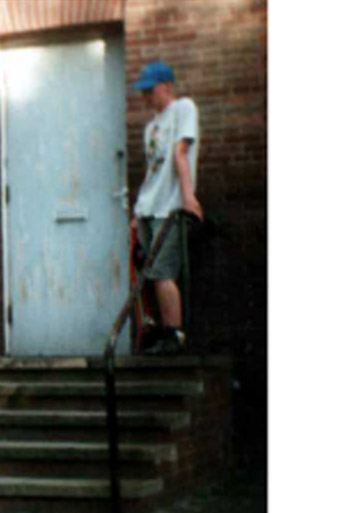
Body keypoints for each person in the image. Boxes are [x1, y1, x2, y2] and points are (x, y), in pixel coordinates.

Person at [130, 61, 202, 355]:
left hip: (169, 207)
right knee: (151, 274)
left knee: (163, 272)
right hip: (149, 208)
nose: (146, 97)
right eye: (143, 92)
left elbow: (180, 154)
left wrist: (188, 198)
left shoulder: (184, 109)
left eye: (151, 90)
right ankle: (164, 332)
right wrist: (137, 213)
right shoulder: (151, 127)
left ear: (167, 86)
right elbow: (152, 172)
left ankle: (175, 334)